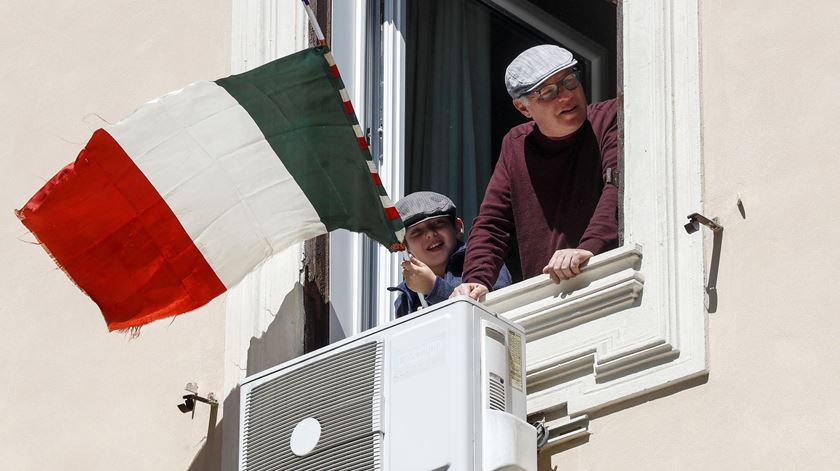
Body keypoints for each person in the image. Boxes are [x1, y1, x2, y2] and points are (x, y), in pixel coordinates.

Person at [453, 44, 619, 301]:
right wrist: (476, 280)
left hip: (611, 280)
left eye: (569, 81)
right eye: (548, 92)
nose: (565, 96)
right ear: (523, 108)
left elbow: (618, 187)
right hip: (548, 298)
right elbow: (492, 224)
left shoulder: (611, 117)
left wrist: (588, 249)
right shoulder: (516, 145)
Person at [389, 191, 512, 317]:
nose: (430, 234)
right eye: (417, 231)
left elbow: (496, 315)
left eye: (438, 223)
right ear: (404, 245)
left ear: (458, 227)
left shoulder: (483, 261)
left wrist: (434, 288)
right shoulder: (405, 298)